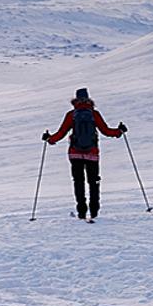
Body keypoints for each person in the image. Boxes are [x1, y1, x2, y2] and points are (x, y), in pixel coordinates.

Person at [43, 88, 127, 222]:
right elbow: (106, 131)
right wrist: (119, 131)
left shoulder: (71, 114)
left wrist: (49, 139)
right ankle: (94, 211)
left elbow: (61, 133)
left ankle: (81, 212)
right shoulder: (94, 114)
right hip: (92, 153)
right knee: (94, 181)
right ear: (89, 99)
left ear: (75, 100)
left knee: (78, 181)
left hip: (75, 153)